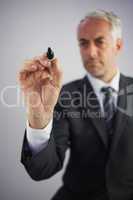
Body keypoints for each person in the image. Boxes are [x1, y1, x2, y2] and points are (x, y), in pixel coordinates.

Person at [18, 10, 133, 200]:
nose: (91, 52)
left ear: (118, 45)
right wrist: (38, 117)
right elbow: (43, 169)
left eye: (99, 41)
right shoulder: (64, 96)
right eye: (83, 43)